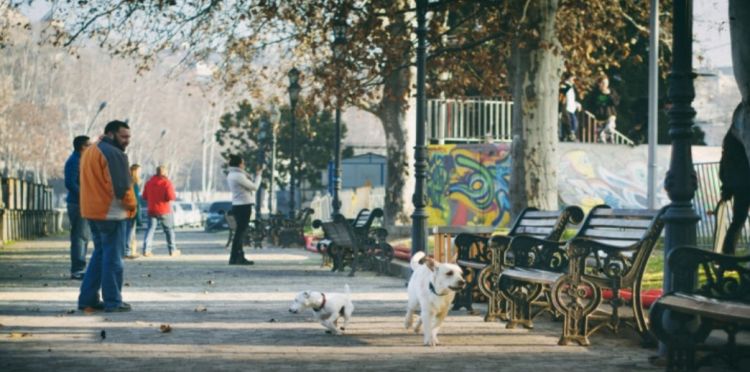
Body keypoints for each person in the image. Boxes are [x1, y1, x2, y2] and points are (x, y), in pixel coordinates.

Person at [78, 120, 137, 313]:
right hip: (111, 213)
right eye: (123, 136)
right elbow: (122, 188)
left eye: (129, 136)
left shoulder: (91, 151)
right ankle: (113, 301)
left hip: (92, 211)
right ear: (111, 134)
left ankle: (87, 299)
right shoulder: (115, 154)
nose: (127, 141)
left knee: (99, 255)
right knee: (114, 259)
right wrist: (132, 206)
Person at [719, 105, 750, 255]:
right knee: (738, 219)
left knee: (738, 219)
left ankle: (727, 252)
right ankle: (727, 251)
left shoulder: (731, 140)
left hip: (738, 184)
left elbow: (725, 165)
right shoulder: (737, 139)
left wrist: (726, 187)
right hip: (743, 182)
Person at [226, 155, 262, 265]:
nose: (244, 165)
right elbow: (254, 187)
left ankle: (237, 256)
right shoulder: (238, 176)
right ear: (239, 164)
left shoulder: (232, 174)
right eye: (243, 163)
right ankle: (236, 257)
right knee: (240, 233)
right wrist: (258, 175)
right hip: (243, 206)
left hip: (238, 205)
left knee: (239, 232)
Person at [64, 135, 92, 280]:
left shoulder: (82, 160)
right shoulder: (74, 161)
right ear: (82, 147)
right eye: (89, 144)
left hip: (83, 203)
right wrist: (85, 195)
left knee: (84, 236)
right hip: (78, 203)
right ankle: (78, 269)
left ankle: (80, 267)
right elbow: (70, 183)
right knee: (80, 237)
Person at [141, 165, 179, 257]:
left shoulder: (149, 183)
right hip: (164, 209)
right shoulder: (166, 183)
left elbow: (144, 196)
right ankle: (172, 250)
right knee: (169, 230)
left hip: (152, 210)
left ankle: (146, 250)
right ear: (165, 172)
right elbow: (171, 197)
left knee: (150, 230)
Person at [585, 75, 620, 143]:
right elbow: (590, 104)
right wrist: (595, 112)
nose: (605, 85)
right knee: (601, 136)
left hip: (610, 115)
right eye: (603, 83)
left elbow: (616, 102)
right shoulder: (595, 93)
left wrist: (609, 94)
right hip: (600, 118)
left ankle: (610, 139)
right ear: (599, 84)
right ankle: (604, 142)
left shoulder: (611, 91)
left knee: (609, 128)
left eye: (606, 83)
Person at [124, 164, 142, 259]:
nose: (140, 173)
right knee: (129, 232)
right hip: (131, 211)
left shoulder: (129, 182)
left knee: (130, 232)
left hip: (129, 210)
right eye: (139, 171)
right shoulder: (133, 183)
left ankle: (130, 250)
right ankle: (127, 251)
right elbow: (135, 200)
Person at [559, 72, 581, 141]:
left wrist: (577, 104)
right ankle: (568, 136)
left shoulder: (571, 87)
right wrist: (561, 107)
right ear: (569, 78)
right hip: (566, 108)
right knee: (569, 123)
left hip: (571, 108)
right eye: (573, 78)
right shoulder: (565, 85)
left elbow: (572, 99)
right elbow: (561, 96)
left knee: (573, 123)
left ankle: (568, 135)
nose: (574, 80)